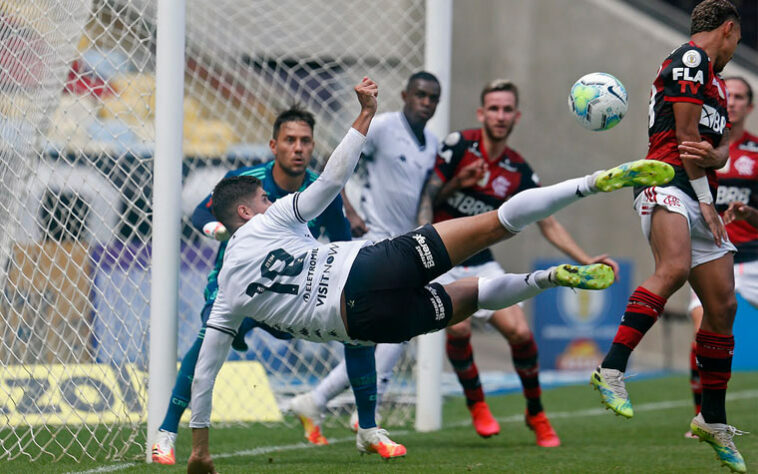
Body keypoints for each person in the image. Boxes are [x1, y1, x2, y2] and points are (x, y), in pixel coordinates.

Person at [186, 76, 674, 474]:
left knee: (464, 299)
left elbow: (205, 373)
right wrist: (364, 113)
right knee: (494, 224)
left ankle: (543, 281)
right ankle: (592, 185)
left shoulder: (228, 291)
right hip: (371, 262)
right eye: (264, 200)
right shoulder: (273, 218)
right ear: (248, 212)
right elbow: (333, 178)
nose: (271, 201)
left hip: (366, 323)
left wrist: (200, 449)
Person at [150, 105, 382, 464]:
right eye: (290, 140)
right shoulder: (248, 181)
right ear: (274, 145)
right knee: (202, 347)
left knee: (358, 322)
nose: (298, 148)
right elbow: (201, 212)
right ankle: (165, 434)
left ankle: (368, 428)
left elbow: (340, 245)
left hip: (290, 297)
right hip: (240, 294)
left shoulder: (319, 191)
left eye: (305, 141)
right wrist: (216, 229)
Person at [415, 79, 619, 447]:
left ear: (516, 117)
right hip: (443, 259)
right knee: (458, 330)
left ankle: (535, 412)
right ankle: (477, 403)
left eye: (507, 109)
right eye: (493, 108)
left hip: (481, 262)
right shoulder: (458, 145)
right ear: (481, 113)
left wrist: (586, 260)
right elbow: (429, 194)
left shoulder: (518, 170)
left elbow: (548, 222)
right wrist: (456, 185)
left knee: (521, 334)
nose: (500, 115)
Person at [589, 1, 746, 471]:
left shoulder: (714, 79)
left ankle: (711, 420)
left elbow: (707, 148)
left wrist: (715, 166)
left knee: (723, 308)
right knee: (674, 267)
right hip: (666, 182)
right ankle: (611, 367)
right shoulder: (691, 60)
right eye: (736, 41)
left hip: (698, 189)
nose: (735, 50)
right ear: (729, 30)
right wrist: (704, 194)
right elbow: (684, 137)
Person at [289, 71, 441, 444]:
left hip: (405, 246)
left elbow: (422, 198)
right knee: (390, 329)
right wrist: (351, 213)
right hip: (374, 242)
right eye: (419, 94)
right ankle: (354, 413)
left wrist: (425, 228)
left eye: (432, 97)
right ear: (405, 95)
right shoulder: (385, 127)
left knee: (389, 333)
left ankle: (322, 401)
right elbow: (333, 163)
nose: (426, 102)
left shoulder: (433, 144)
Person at [685, 76, 757, 438]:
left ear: (750, 106)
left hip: (753, 257)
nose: (733, 102)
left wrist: (748, 215)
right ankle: (705, 416)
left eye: (741, 97)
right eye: (729, 95)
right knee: (703, 332)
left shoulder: (756, 154)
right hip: (711, 255)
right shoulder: (698, 148)